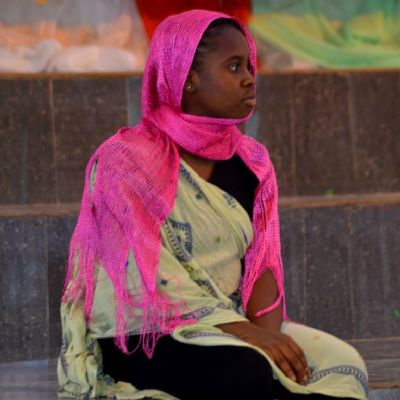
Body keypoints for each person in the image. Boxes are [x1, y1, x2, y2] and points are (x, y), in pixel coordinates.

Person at [57, 9, 368, 400]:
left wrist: (270, 342)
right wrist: (247, 338)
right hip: (146, 330)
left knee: (341, 364)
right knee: (244, 373)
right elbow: (141, 278)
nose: (249, 78)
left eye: (250, 65)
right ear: (188, 78)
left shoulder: (253, 162)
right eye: (234, 66)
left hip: (229, 325)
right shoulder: (126, 160)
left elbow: (262, 268)